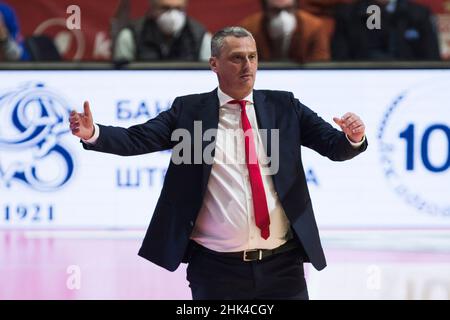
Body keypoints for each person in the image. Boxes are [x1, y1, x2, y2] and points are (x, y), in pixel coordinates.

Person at [70, 26, 367, 300]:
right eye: (237, 58)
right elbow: (138, 139)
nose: (248, 66)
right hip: (215, 270)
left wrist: (353, 137)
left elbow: (334, 146)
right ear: (214, 64)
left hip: (283, 266)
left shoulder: (284, 106)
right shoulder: (189, 111)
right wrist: (93, 133)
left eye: (252, 57)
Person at [332, 0, 441, 60]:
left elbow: (432, 58)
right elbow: (340, 60)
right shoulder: (347, 15)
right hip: (362, 86)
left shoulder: (419, 14)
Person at [113, 0, 211, 62]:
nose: (173, 15)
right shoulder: (130, 36)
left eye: (178, 8)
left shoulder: (201, 38)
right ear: (152, 8)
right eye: (165, 8)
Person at [239, 0, 330, 63]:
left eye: (288, 9)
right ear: (265, 10)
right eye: (275, 10)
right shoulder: (249, 29)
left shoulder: (314, 27)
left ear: (296, 7)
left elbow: (320, 66)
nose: (283, 16)